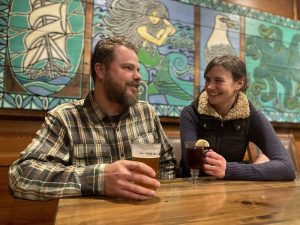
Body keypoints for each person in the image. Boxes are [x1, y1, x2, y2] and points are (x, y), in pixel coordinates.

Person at [9, 36, 177, 201]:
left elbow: (167, 163)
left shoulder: (146, 113)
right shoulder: (66, 118)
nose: (138, 76)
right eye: (128, 68)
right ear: (101, 70)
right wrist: (99, 179)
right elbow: (22, 176)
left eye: (138, 69)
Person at [180, 55, 296, 181]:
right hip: (192, 188)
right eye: (208, 79)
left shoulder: (251, 116)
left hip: (232, 191)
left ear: (239, 83)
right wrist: (250, 166)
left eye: (218, 81)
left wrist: (229, 169)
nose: (209, 87)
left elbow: (287, 167)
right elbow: (190, 160)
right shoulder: (190, 113)